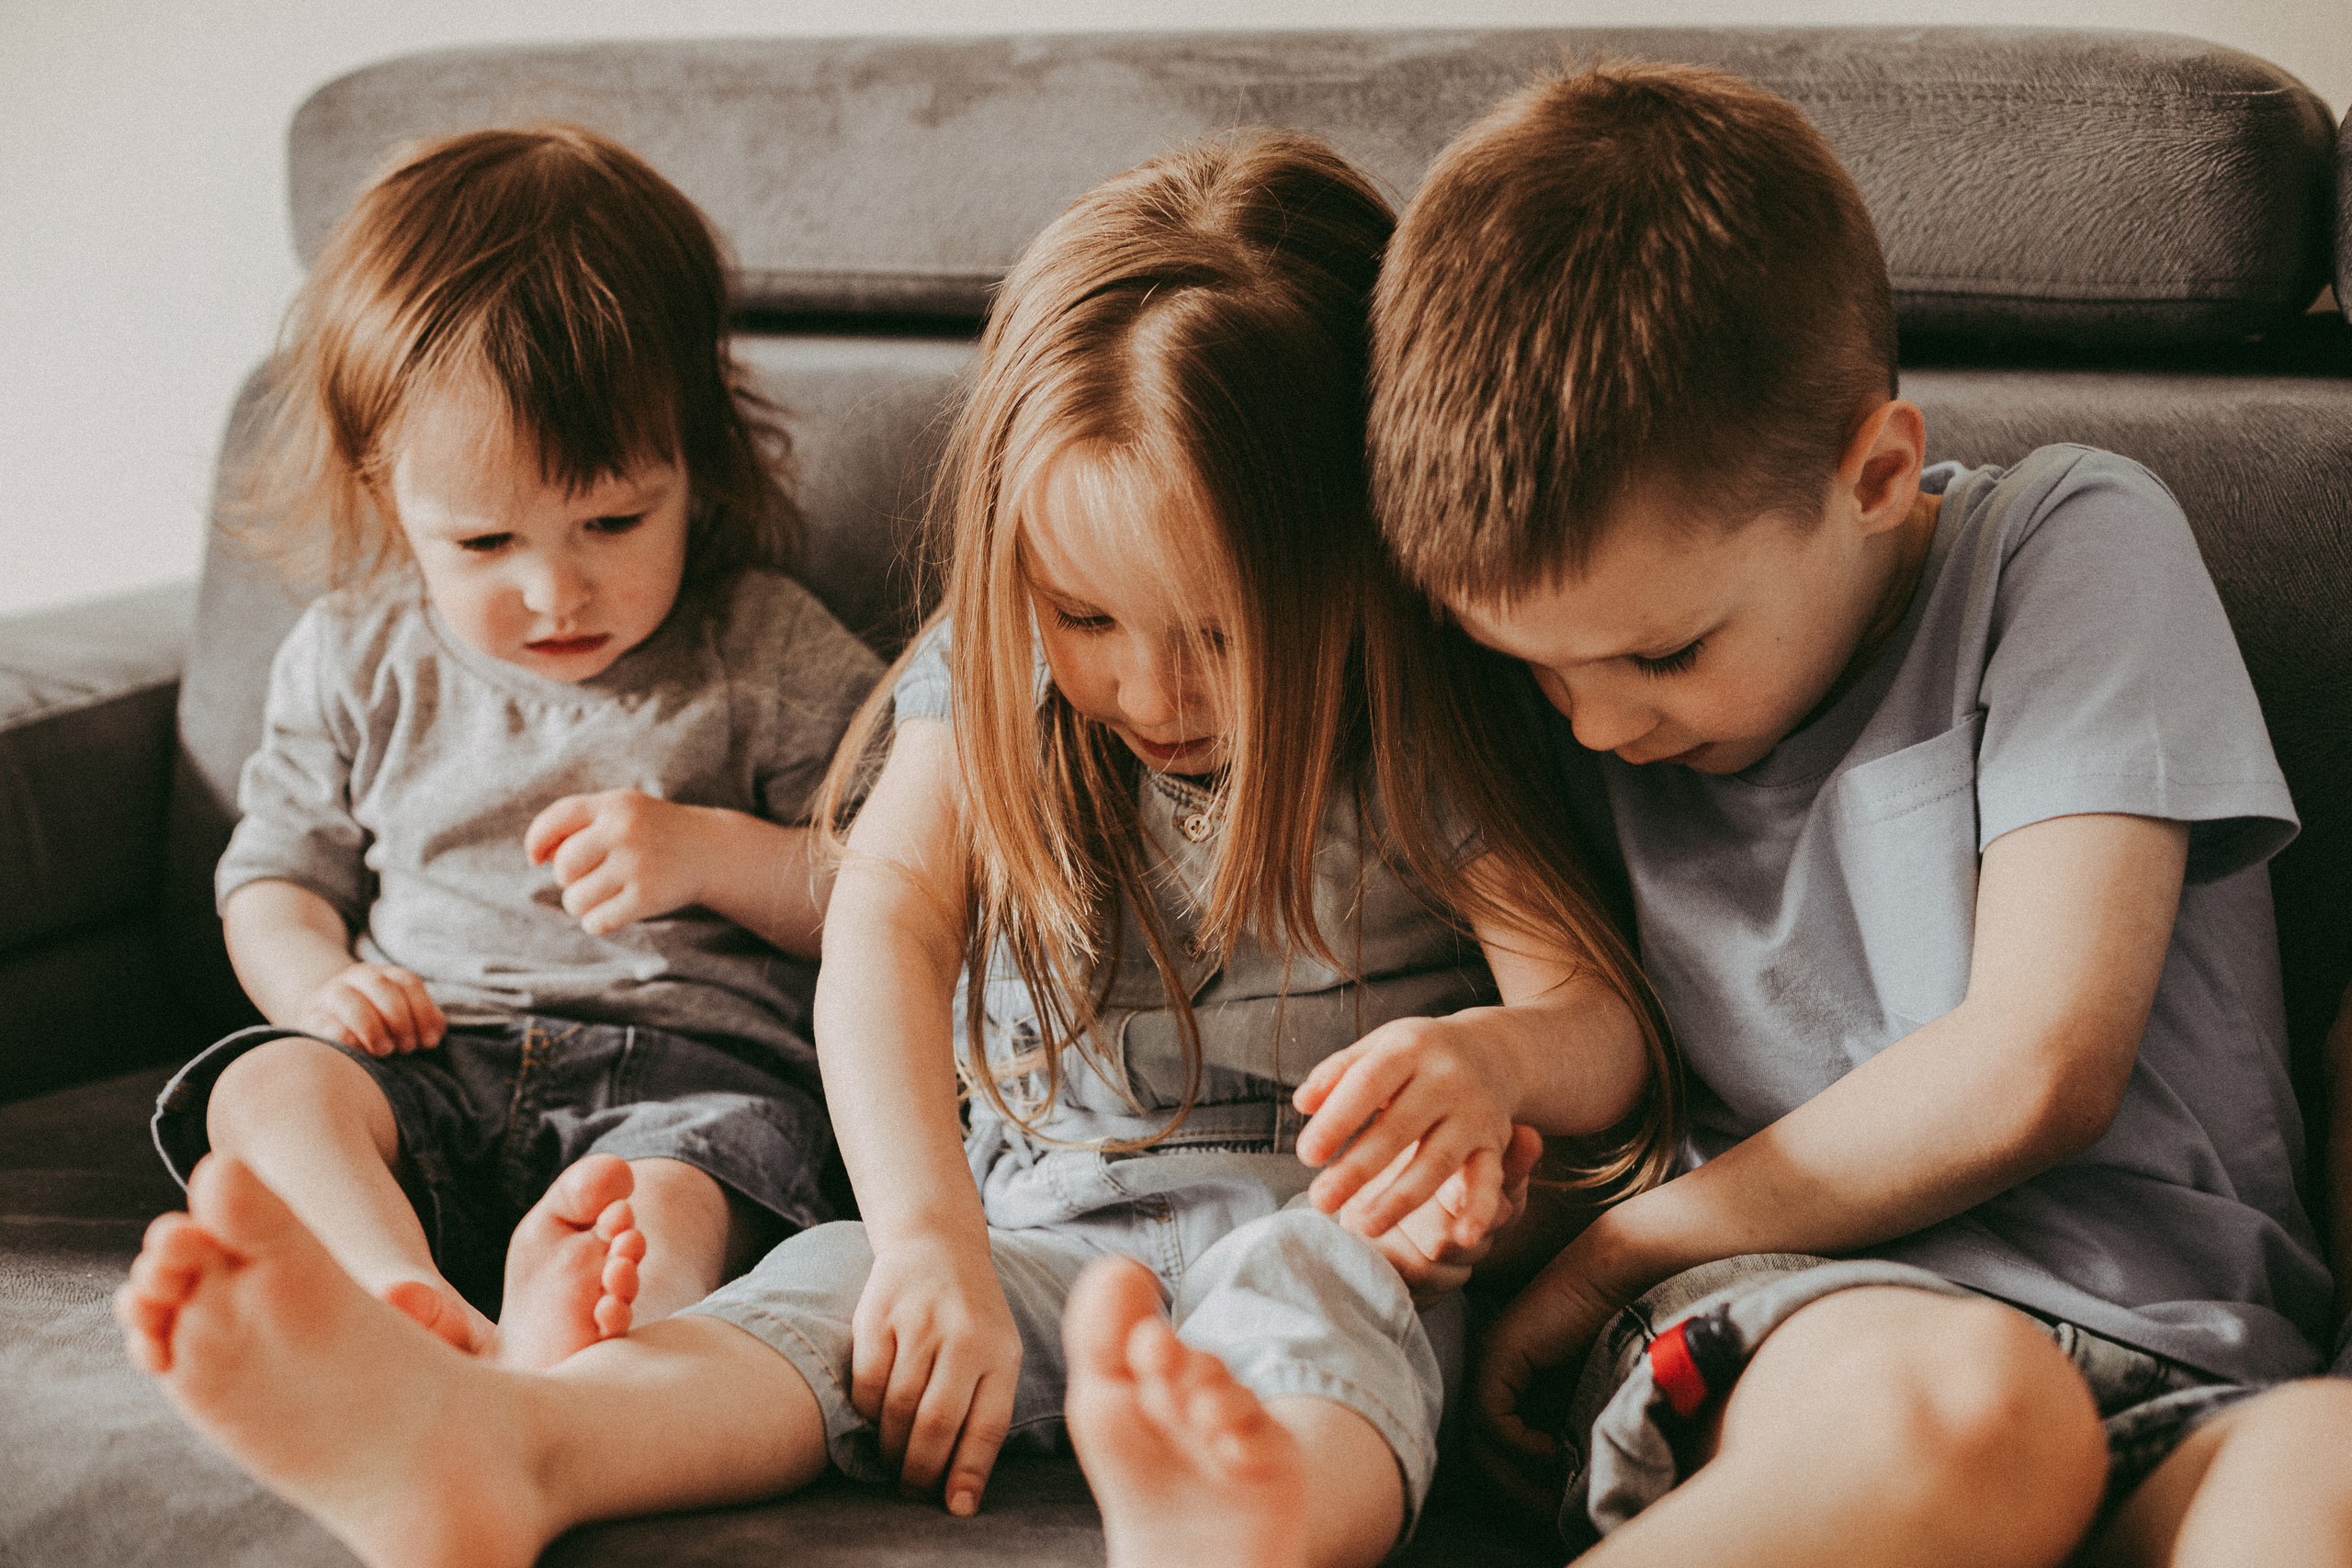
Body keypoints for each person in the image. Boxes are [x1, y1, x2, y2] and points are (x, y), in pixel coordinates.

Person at [113, 129, 1676, 1568]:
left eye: (1222, 632)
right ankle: (511, 1447)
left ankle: (1248, 1522)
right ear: (1015, 570)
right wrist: (929, 1244)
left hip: (1321, 1211)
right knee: (821, 1296)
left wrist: (1494, 1062)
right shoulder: (986, 674)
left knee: (1333, 1312)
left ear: (1363, 566)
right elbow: (885, 925)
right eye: (1084, 616)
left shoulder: (1425, 719)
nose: (1151, 687)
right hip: (1020, 1212)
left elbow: (1600, 1024)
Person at [1053, 59, 2352, 1568]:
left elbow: (2040, 1062)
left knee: (2327, 1472)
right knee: (1979, 1410)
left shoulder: (2065, 550)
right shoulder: (1563, 707)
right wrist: (1488, 1186)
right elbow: (1576, 1046)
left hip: (2193, 1349)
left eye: (1661, 654)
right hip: (1814, 1336)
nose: (1598, 725)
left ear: (1874, 473)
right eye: (1531, 670)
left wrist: (1619, 1251)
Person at [147, 124, 882, 1371]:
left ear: (695, 466)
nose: (556, 592)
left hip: (683, 1090)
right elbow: (271, 878)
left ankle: (558, 1369)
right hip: (428, 1062)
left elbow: (897, 896)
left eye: (611, 518)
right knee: (261, 1089)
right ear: (388, 497)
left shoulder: (765, 653)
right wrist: (315, 984)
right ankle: (397, 1295)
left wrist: (716, 855)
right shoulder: (356, 659)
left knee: (663, 1205)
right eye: (485, 544)